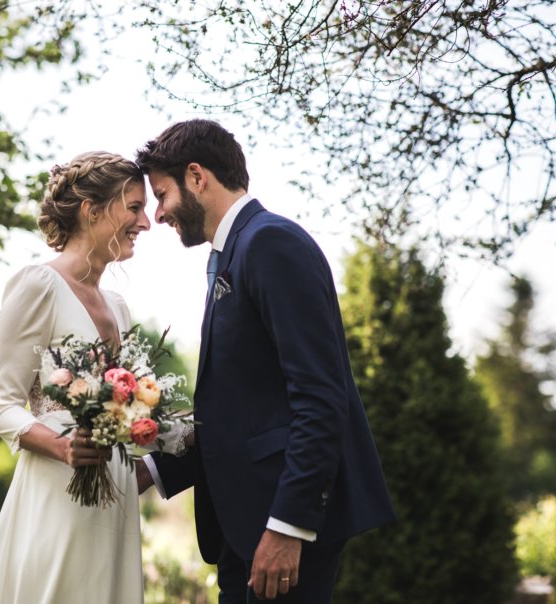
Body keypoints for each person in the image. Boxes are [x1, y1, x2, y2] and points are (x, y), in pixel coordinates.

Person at [134, 120, 396, 603]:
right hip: (245, 523)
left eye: (162, 193)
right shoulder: (230, 254)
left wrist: (289, 526)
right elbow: (243, 409)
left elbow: (319, 396)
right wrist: (154, 470)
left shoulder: (271, 244)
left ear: (197, 176)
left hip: (281, 523)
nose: (159, 212)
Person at [0, 151, 189, 604]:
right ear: (92, 211)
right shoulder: (38, 285)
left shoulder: (119, 306)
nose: (145, 222)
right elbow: (1, 404)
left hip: (116, 494)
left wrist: (188, 427)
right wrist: (61, 446)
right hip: (56, 492)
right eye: (133, 207)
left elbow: (137, 408)